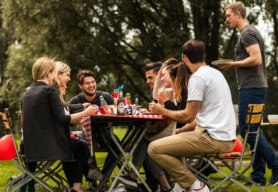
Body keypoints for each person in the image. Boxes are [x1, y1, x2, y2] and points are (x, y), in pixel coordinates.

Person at [148, 40, 236, 192]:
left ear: (185, 58)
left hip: (212, 138)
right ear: (204, 56)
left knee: (154, 148)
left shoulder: (197, 78)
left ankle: (195, 186)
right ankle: (179, 187)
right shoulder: (216, 73)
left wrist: (161, 110)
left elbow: (188, 116)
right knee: (173, 143)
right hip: (225, 136)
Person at [221, 2, 278, 186]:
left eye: (229, 15)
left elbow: (256, 58)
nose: (227, 19)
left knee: (247, 130)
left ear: (238, 14)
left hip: (252, 88)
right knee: (253, 131)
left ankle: (276, 165)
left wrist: (232, 64)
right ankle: (258, 177)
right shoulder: (250, 32)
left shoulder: (247, 33)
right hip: (255, 87)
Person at [21, 57, 98, 192]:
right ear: (48, 73)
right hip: (48, 148)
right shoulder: (50, 90)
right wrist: (86, 112)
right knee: (80, 146)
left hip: (29, 148)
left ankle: (73, 185)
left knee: (74, 142)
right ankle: (77, 186)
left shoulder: (27, 93)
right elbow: (64, 118)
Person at [117, 59, 189, 192]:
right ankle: (159, 185)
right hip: (172, 131)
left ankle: (137, 177)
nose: (159, 80)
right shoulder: (173, 91)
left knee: (145, 141)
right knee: (144, 139)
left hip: (182, 133)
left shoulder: (182, 92)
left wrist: (164, 104)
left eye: (162, 76)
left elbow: (181, 118)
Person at [68, 69, 114, 180]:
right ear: (80, 86)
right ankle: (92, 178)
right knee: (81, 143)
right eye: (87, 83)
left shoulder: (106, 97)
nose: (91, 85)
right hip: (86, 135)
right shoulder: (75, 101)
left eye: (93, 82)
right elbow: (66, 119)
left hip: (106, 133)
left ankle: (103, 177)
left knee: (119, 146)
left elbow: (116, 112)